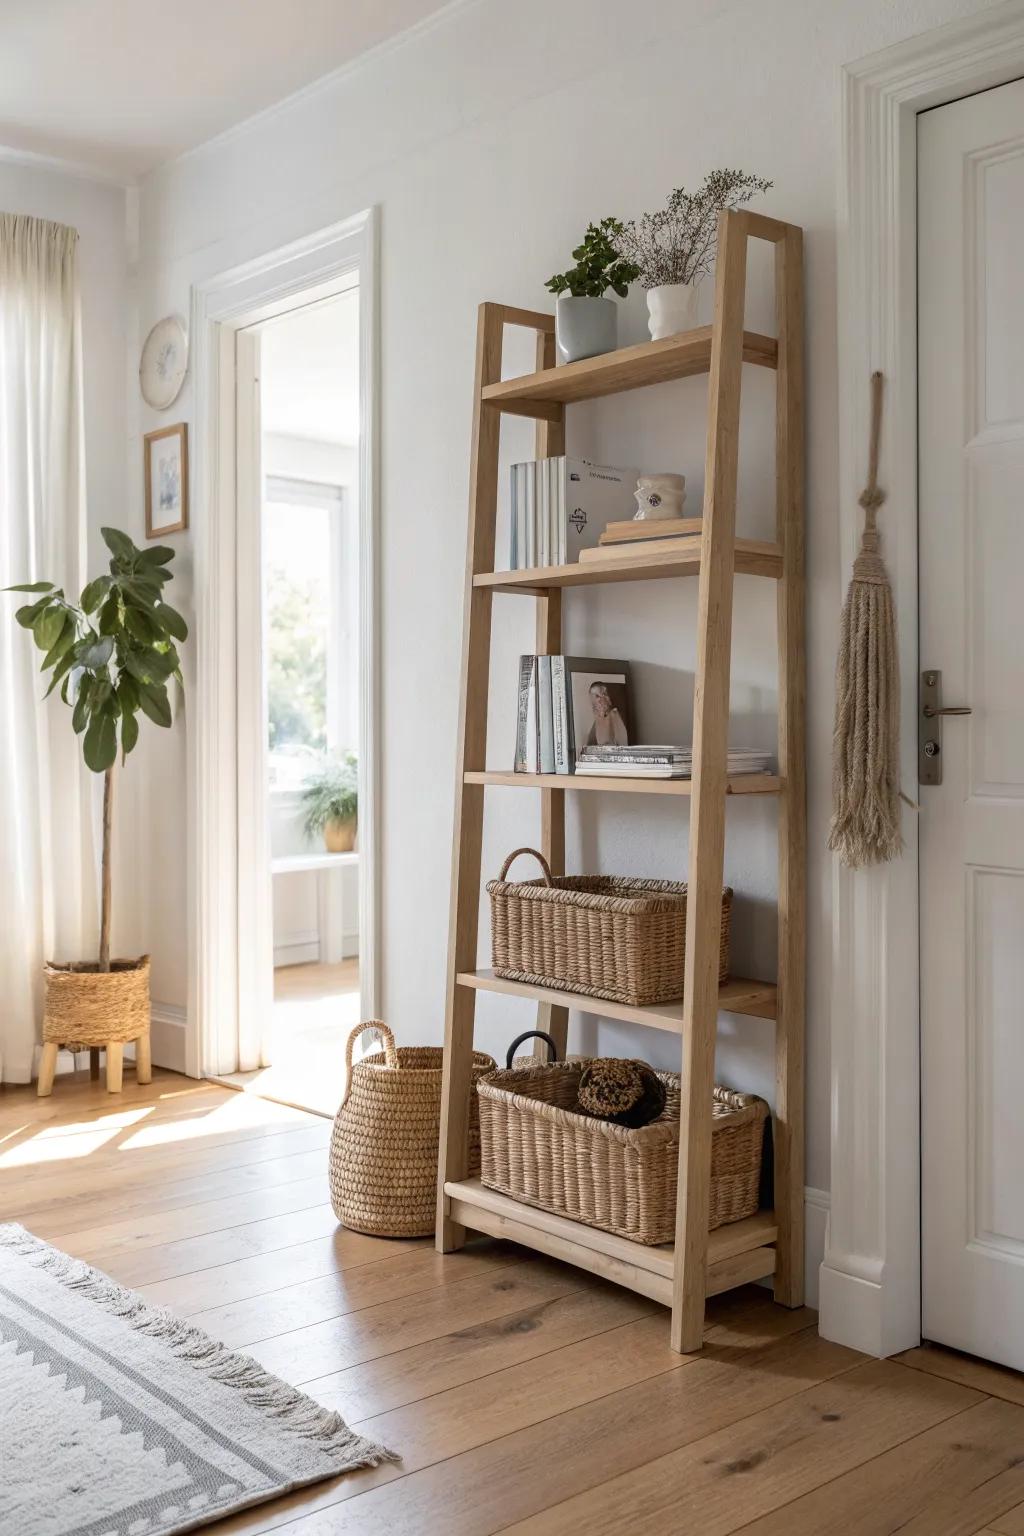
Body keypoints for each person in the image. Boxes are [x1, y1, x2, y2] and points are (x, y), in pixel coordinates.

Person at [584, 681, 628, 746]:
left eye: (597, 696)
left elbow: (623, 744)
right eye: (594, 697)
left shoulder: (614, 715)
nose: (597, 701)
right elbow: (589, 743)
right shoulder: (597, 720)